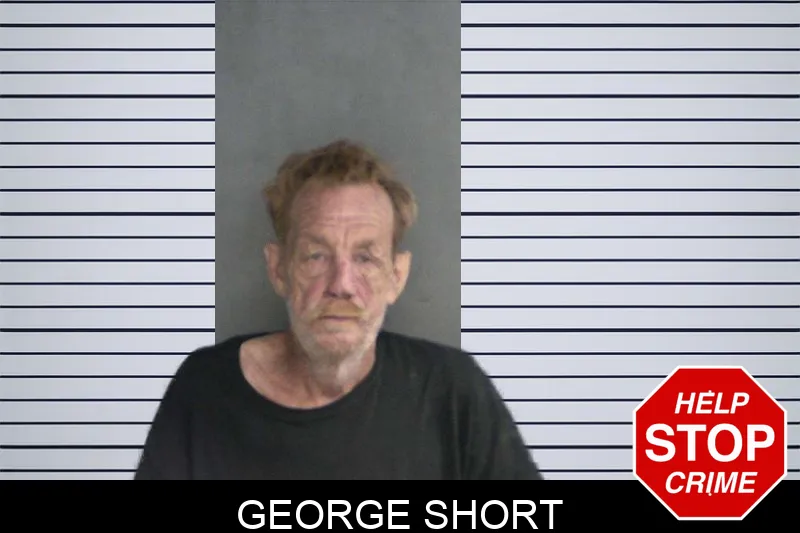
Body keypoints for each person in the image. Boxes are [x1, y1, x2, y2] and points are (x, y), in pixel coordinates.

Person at [134, 139, 543, 480]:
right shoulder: (203, 390)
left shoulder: (451, 391)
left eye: (365, 258)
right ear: (278, 269)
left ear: (397, 276)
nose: (341, 285)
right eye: (316, 256)